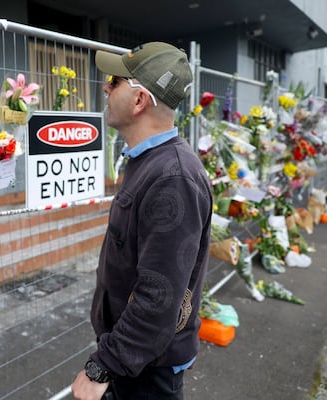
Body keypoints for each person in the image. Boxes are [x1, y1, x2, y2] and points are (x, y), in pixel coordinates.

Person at [71, 42, 213, 400]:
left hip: (148, 369)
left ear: (139, 101)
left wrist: (104, 364)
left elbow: (159, 296)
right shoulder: (151, 163)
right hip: (138, 362)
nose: (105, 87)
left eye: (115, 81)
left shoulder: (172, 177)